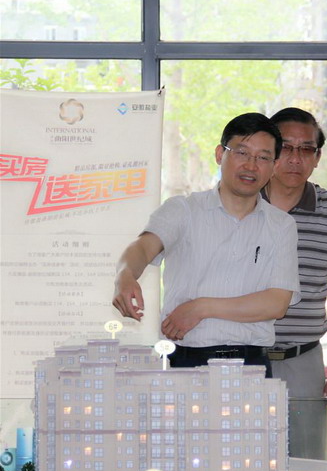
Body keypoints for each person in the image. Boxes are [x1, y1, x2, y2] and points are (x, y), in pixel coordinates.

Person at [112, 113, 301, 376]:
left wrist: (201, 308)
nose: (251, 165)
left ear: (274, 166)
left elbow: (276, 303)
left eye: (263, 158)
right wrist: (125, 274)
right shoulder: (183, 210)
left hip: (252, 365)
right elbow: (143, 248)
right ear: (220, 154)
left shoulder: (281, 225)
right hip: (185, 361)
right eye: (242, 153)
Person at [262, 107, 327, 459]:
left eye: (307, 149)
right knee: (243, 466)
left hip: (304, 359)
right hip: (245, 357)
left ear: (317, 158)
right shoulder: (243, 203)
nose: (296, 158)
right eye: (286, 148)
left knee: (307, 466)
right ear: (270, 151)